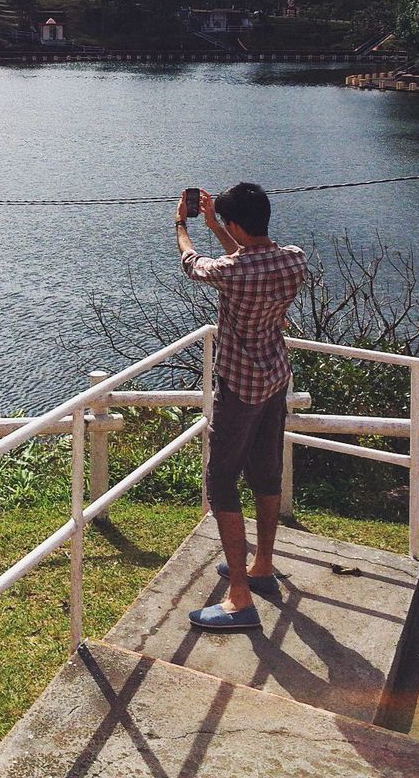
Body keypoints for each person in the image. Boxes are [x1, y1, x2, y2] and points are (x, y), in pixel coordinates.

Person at [173, 182, 308, 631]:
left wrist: (184, 225)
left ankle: (239, 600)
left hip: (238, 388)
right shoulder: (293, 259)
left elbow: (193, 264)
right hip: (274, 379)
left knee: (221, 481)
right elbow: (247, 259)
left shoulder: (232, 271)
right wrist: (218, 225)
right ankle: (262, 567)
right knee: (267, 472)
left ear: (234, 226)